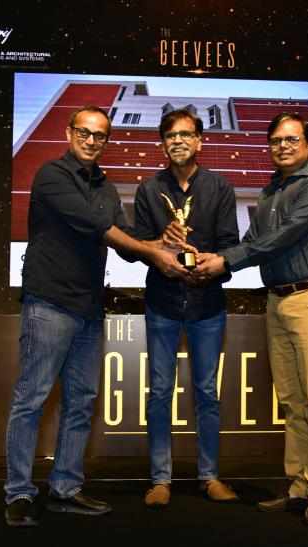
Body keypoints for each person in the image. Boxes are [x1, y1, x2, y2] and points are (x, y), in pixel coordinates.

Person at [4, 105, 192, 527]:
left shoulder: (105, 187)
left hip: (89, 308)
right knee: (31, 399)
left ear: (106, 140)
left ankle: (65, 488)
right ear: (69, 133)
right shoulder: (52, 175)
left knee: (81, 402)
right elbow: (98, 228)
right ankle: (18, 493)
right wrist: (154, 252)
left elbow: (127, 243)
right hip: (49, 302)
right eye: (84, 132)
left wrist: (162, 242)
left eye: (100, 135)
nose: (91, 141)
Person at [192, 112, 308, 524]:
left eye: (292, 139)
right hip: (278, 301)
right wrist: (213, 260)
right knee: (293, 402)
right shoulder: (269, 191)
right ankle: (298, 486)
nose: (283, 146)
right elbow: (253, 241)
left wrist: (226, 261)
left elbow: (282, 237)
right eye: (276, 140)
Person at [133, 108, 240, 508]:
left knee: (207, 393)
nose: (177, 140)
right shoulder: (148, 190)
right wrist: (161, 246)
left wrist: (210, 265)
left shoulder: (220, 187)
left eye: (185, 134)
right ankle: (160, 480)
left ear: (199, 140)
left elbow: (230, 246)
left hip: (207, 303)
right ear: (163, 143)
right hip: (162, 302)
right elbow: (137, 247)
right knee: (160, 392)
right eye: (170, 135)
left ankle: (209, 477)